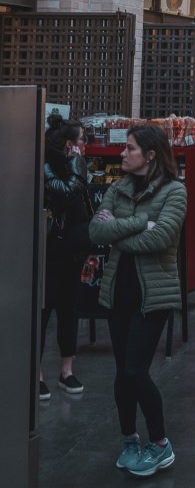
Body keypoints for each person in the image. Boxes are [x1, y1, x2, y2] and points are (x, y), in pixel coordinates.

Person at [89, 125, 187, 477]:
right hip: (118, 293)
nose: (122, 154)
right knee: (121, 374)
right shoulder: (118, 187)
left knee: (136, 370)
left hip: (153, 297)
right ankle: (129, 438)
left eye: (129, 148)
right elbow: (96, 231)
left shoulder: (175, 192)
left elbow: (160, 238)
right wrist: (140, 222)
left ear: (149, 155)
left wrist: (124, 229)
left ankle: (160, 444)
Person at [39, 119, 93, 400]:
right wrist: (77, 168)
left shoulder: (74, 165)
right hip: (51, 249)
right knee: (43, 309)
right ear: (71, 145)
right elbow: (64, 192)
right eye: (83, 139)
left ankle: (66, 370)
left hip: (73, 247)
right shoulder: (46, 164)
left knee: (70, 309)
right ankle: (35, 374)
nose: (86, 144)